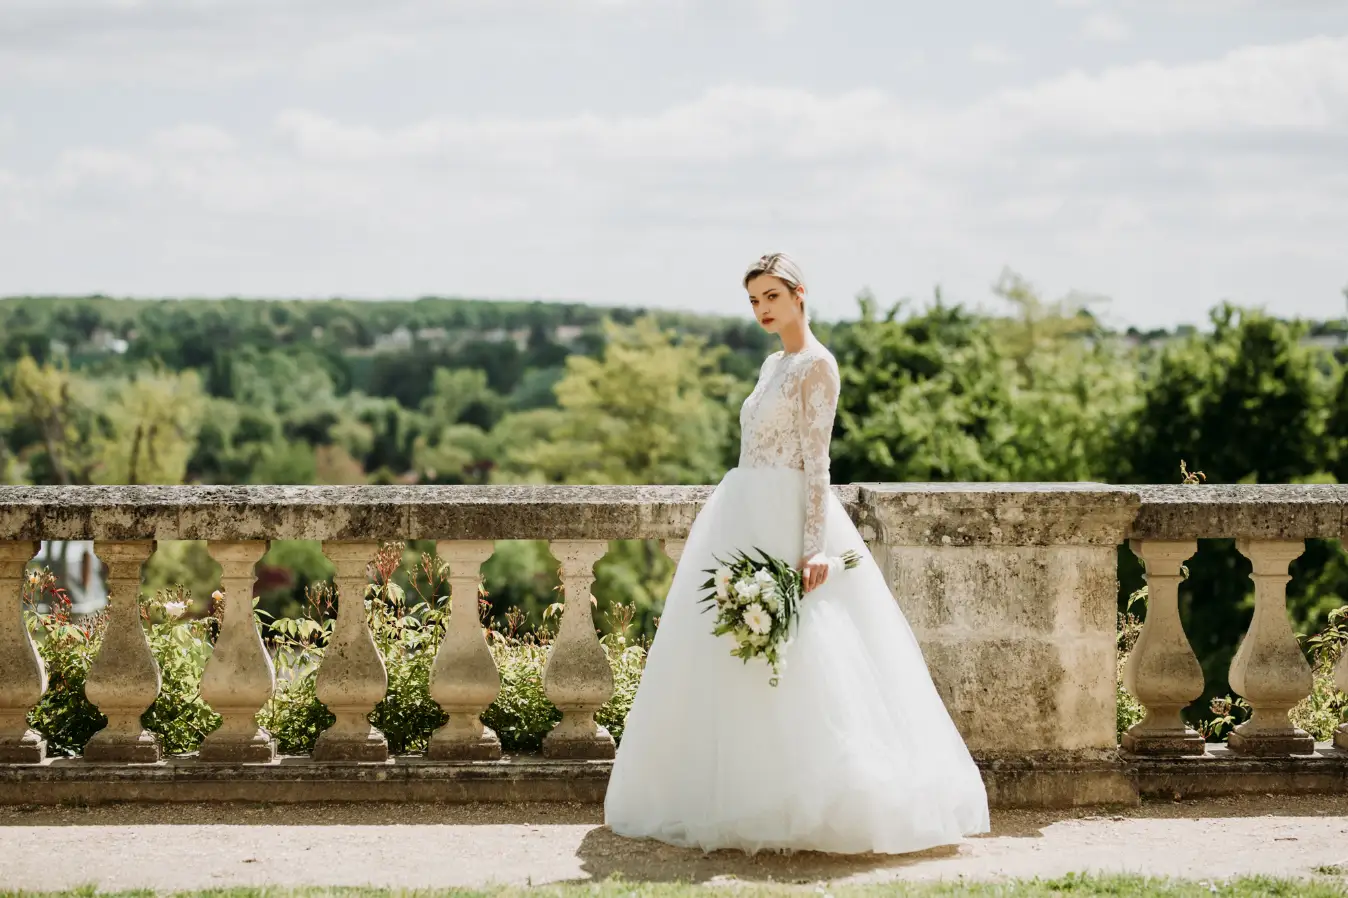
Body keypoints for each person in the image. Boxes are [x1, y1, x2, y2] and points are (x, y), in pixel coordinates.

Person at [604, 252, 990, 855]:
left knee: (805, 649)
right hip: (742, 514)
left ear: (800, 294)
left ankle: (815, 801)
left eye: (772, 297)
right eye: (754, 300)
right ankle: (735, 795)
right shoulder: (771, 364)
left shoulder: (818, 366)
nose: (762, 310)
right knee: (732, 652)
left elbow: (818, 464)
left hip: (787, 518)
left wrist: (813, 549)